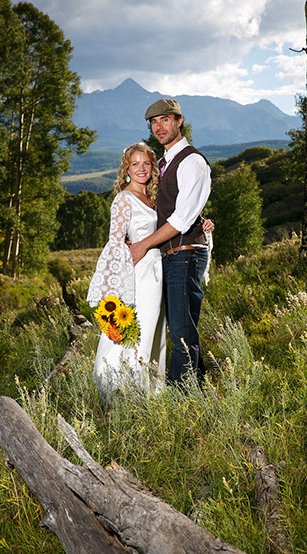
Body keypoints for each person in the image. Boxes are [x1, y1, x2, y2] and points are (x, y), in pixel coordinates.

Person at [130, 99, 212, 386]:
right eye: (154, 122)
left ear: (179, 121)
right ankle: (198, 395)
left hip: (185, 255)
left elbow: (181, 219)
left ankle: (183, 398)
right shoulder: (164, 163)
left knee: (180, 332)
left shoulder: (192, 161)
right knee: (182, 329)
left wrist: (143, 245)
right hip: (174, 255)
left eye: (165, 120)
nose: (158, 127)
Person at [86, 143, 166, 403]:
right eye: (135, 164)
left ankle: (152, 391)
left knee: (155, 330)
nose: (141, 169)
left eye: (146, 163)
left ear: (153, 167)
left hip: (157, 271)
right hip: (138, 273)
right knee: (135, 329)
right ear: (126, 169)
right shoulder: (123, 198)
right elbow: (116, 244)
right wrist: (115, 289)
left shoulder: (153, 198)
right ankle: (124, 392)